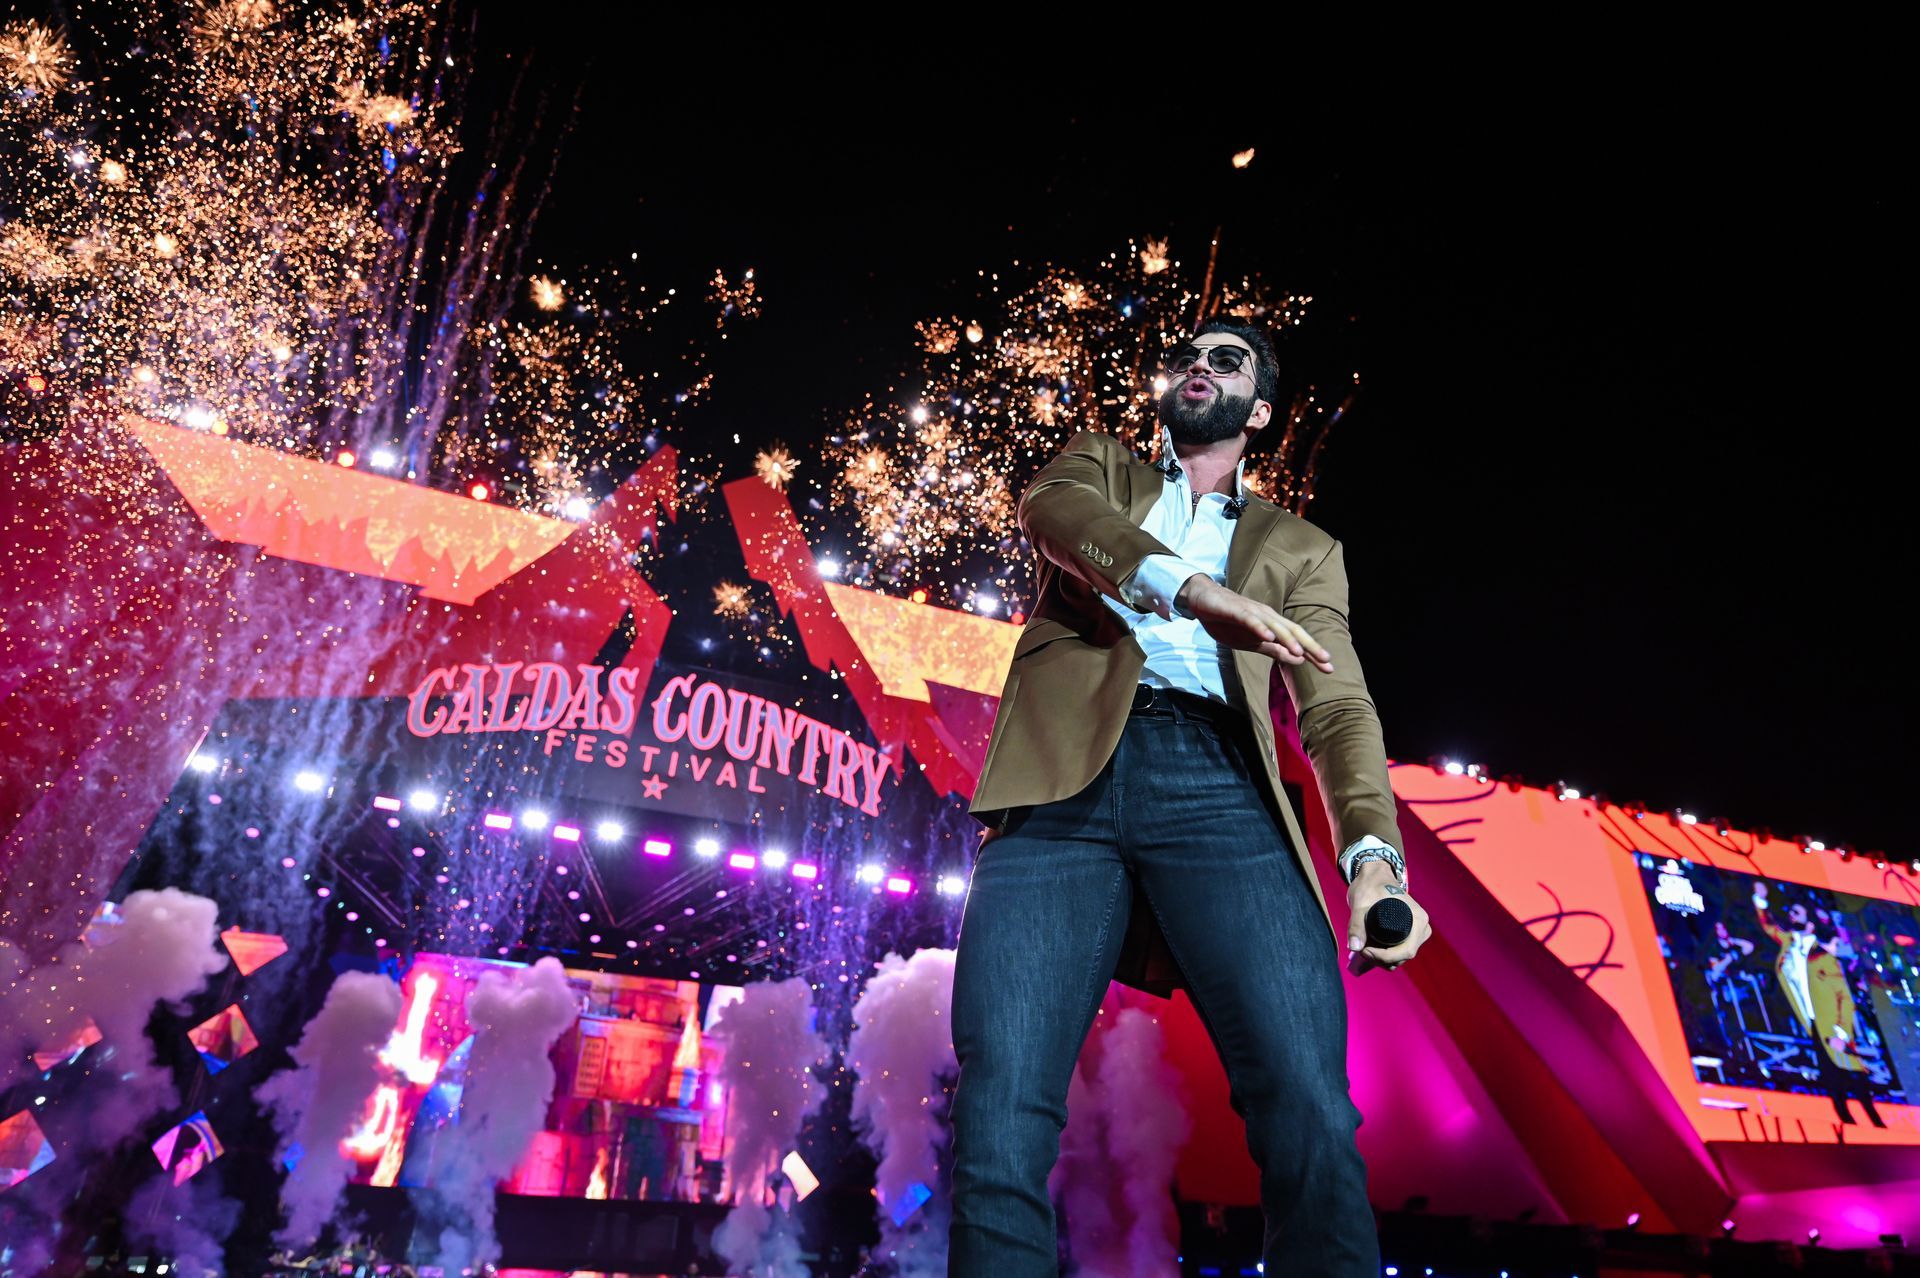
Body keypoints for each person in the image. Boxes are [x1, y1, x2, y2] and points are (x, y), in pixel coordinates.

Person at [950, 318, 1433, 1275]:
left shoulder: (1302, 548)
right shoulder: (1099, 469)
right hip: (1060, 794)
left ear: (1259, 411)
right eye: (1191, 357)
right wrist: (1194, 591)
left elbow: (1336, 710)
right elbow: (1056, 514)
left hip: (1220, 787)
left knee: (1307, 1103)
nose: (1201, 368)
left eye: (1229, 362)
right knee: (1001, 1102)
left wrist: (1374, 866)